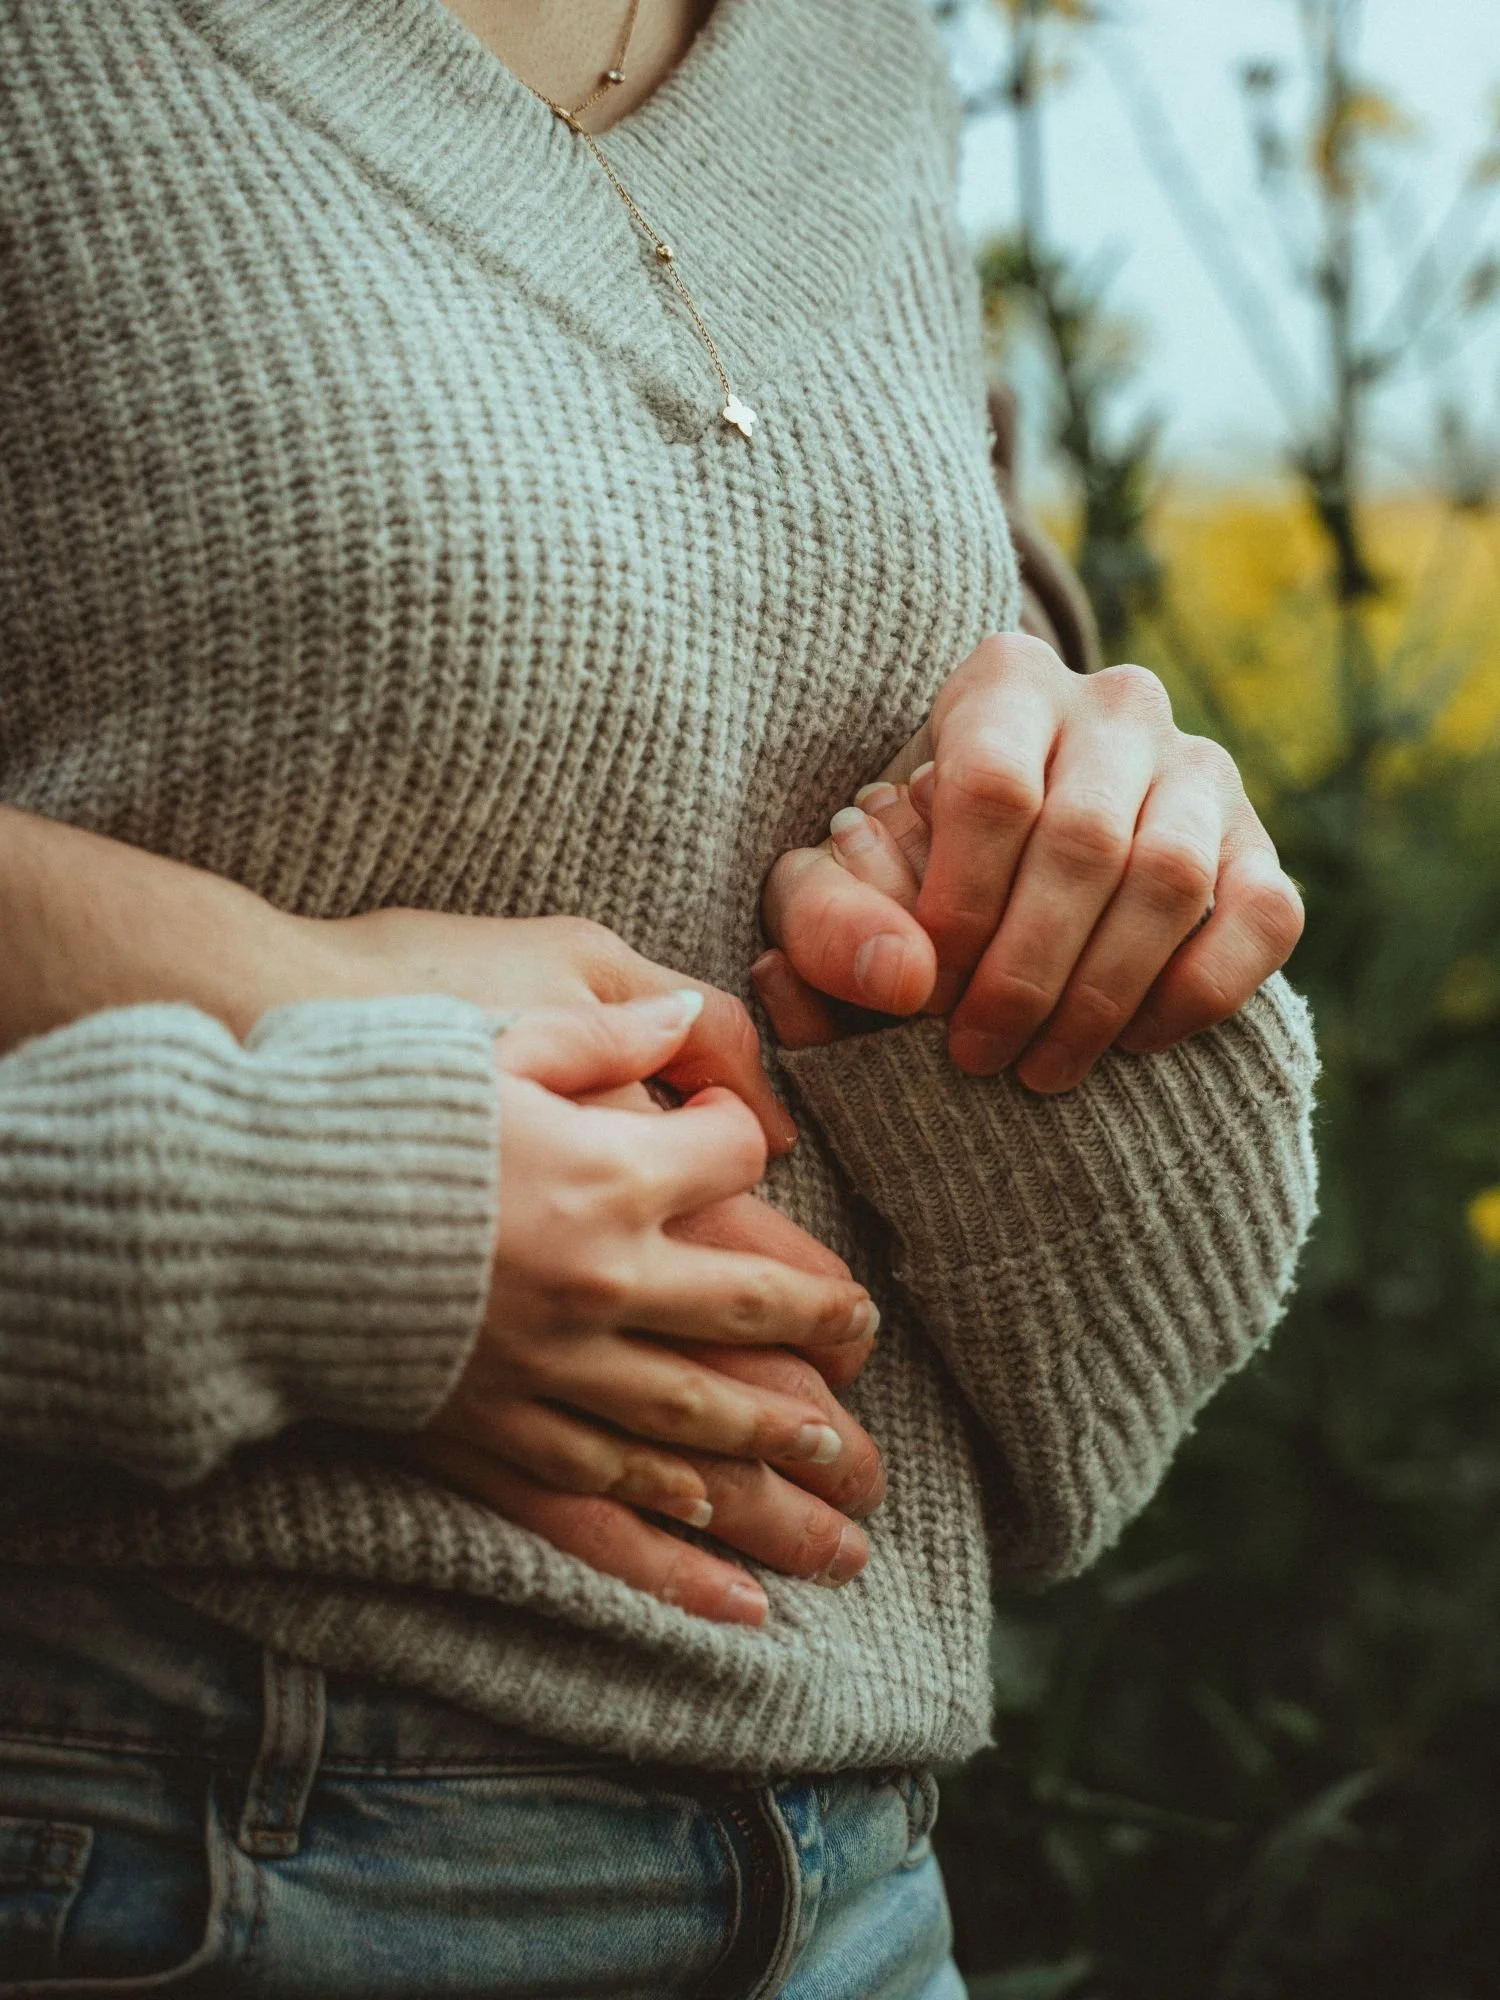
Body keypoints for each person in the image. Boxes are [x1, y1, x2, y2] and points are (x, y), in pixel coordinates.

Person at [0, 0, 1318, 1993]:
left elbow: (793, 634)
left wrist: (1090, 876)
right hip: (169, 1817)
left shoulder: (857, 50)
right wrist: (297, 1174)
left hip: (859, 1880)